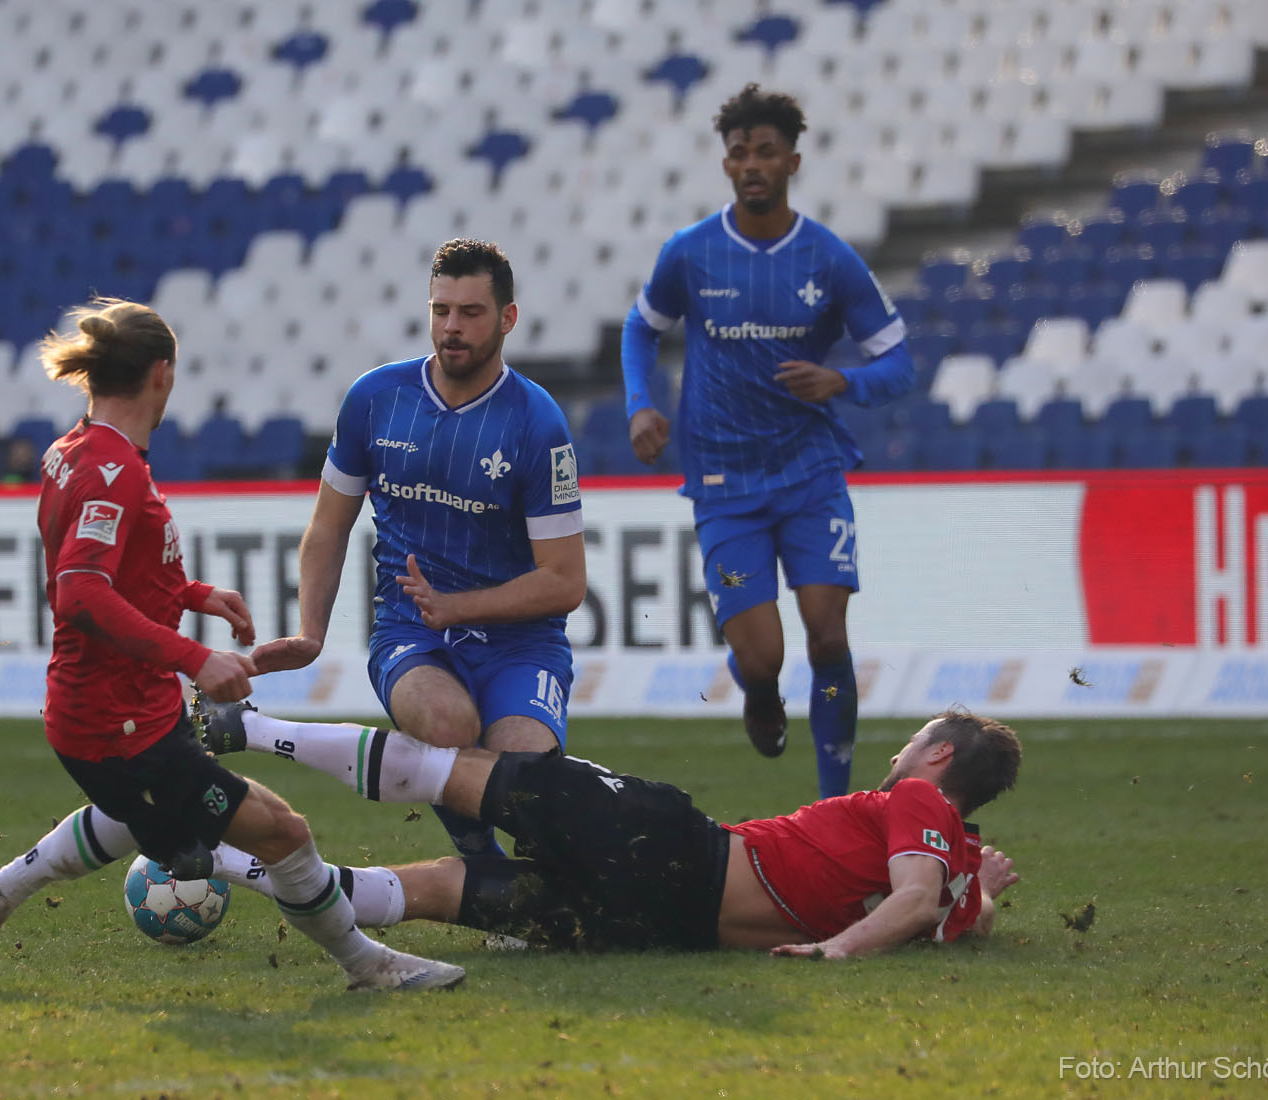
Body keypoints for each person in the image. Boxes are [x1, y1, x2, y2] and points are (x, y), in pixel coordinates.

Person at [0, 297, 463, 992]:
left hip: (115, 716)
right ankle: (370, 966)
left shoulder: (77, 451)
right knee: (283, 833)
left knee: (136, 817)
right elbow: (81, 593)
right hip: (120, 725)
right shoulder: (111, 473)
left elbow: (107, 569)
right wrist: (196, 657)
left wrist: (190, 595)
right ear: (162, 374)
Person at [196, 699, 1021, 957]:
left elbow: (911, 900)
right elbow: (949, 911)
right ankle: (223, 863)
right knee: (439, 896)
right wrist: (980, 894)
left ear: (938, 754)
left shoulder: (921, 802)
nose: (900, 749)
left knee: (450, 769)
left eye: (915, 740)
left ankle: (247, 728)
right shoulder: (962, 864)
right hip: (661, 927)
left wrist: (835, 951)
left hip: (667, 845)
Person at [242, 239, 586, 859]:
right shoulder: (375, 399)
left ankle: (545, 871)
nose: (451, 328)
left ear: (508, 318)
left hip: (522, 643)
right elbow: (326, 528)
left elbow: (564, 582)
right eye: (440, 310)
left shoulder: (538, 423)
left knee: (527, 785)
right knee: (450, 726)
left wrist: (459, 607)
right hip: (411, 632)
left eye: (471, 312)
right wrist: (312, 632)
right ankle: (485, 874)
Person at [618, 84, 916, 799]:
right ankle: (757, 692)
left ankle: (835, 803)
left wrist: (842, 382)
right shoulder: (690, 253)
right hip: (723, 483)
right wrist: (639, 407)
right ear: (727, 165)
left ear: (792, 162)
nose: (752, 164)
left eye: (766, 152)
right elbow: (640, 330)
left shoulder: (829, 258)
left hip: (810, 473)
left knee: (827, 633)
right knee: (763, 656)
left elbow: (900, 360)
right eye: (740, 152)